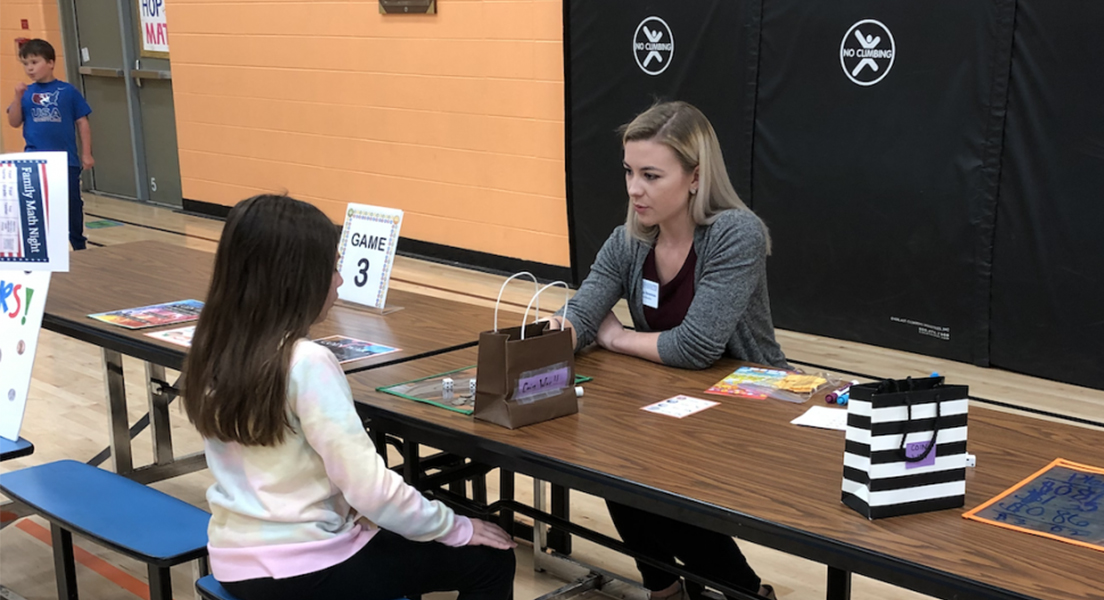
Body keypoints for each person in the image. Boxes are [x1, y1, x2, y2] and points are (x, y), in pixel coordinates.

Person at [182, 194, 516, 600]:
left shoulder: (212, 347)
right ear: (296, 278)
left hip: (234, 560)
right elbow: (371, 490)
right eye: (333, 268)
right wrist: (457, 528)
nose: (340, 280)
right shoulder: (305, 362)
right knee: (492, 559)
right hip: (307, 570)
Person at [544, 101, 785, 600]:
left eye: (652, 175)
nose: (635, 189)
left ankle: (742, 590)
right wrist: (556, 335)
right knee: (611, 459)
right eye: (630, 172)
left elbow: (695, 347)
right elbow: (583, 311)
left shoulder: (735, 234)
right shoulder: (628, 240)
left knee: (657, 480)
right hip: (676, 398)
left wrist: (614, 338)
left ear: (695, 177)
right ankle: (664, 586)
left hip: (751, 403)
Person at [6, 39, 93, 250]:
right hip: (35, 162)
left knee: (72, 204)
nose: (30, 68)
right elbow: (14, 122)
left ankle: (78, 243)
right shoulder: (26, 93)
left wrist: (87, 153)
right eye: (26, 64)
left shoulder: (67, 91)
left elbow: (82, 122)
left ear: (51, 63)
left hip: (65, 161)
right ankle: (44, 246)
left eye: (34, 62)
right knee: (38, 205)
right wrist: (17, 98)